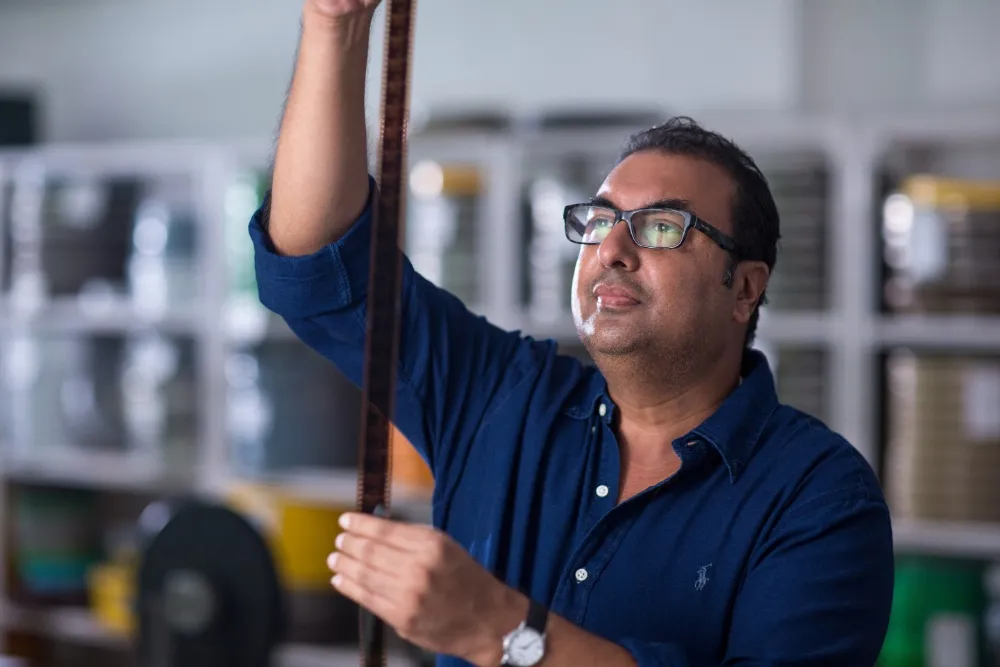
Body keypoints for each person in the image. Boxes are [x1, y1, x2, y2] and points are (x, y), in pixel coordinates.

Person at [249, 1, 895, 665]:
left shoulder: (819, 497)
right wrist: (334, 23)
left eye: (662, 227)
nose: (611, 248)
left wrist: (499, 631)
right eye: (600, 220)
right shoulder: (500, 398)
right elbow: (319, 263)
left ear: (745, 288)